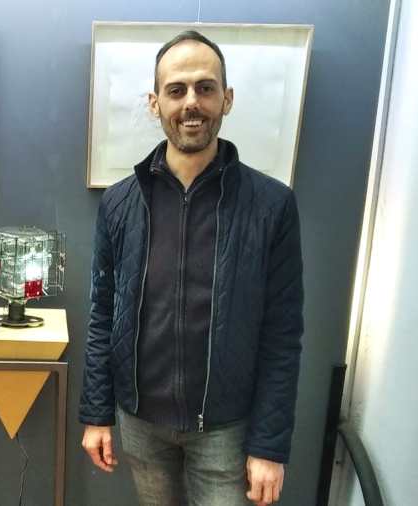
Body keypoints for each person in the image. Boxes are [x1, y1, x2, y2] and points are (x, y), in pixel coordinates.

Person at [79, 31, 304, 506]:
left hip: (226, 427)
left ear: (227, 98)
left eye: (205, 88)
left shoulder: (271, 206)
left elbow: (283, 334)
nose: (191, 103)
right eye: (176, 89)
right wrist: (97, 412)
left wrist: (269, 445)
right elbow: (102, 315)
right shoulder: (119, 203)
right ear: (155, 103)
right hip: (141, 422)